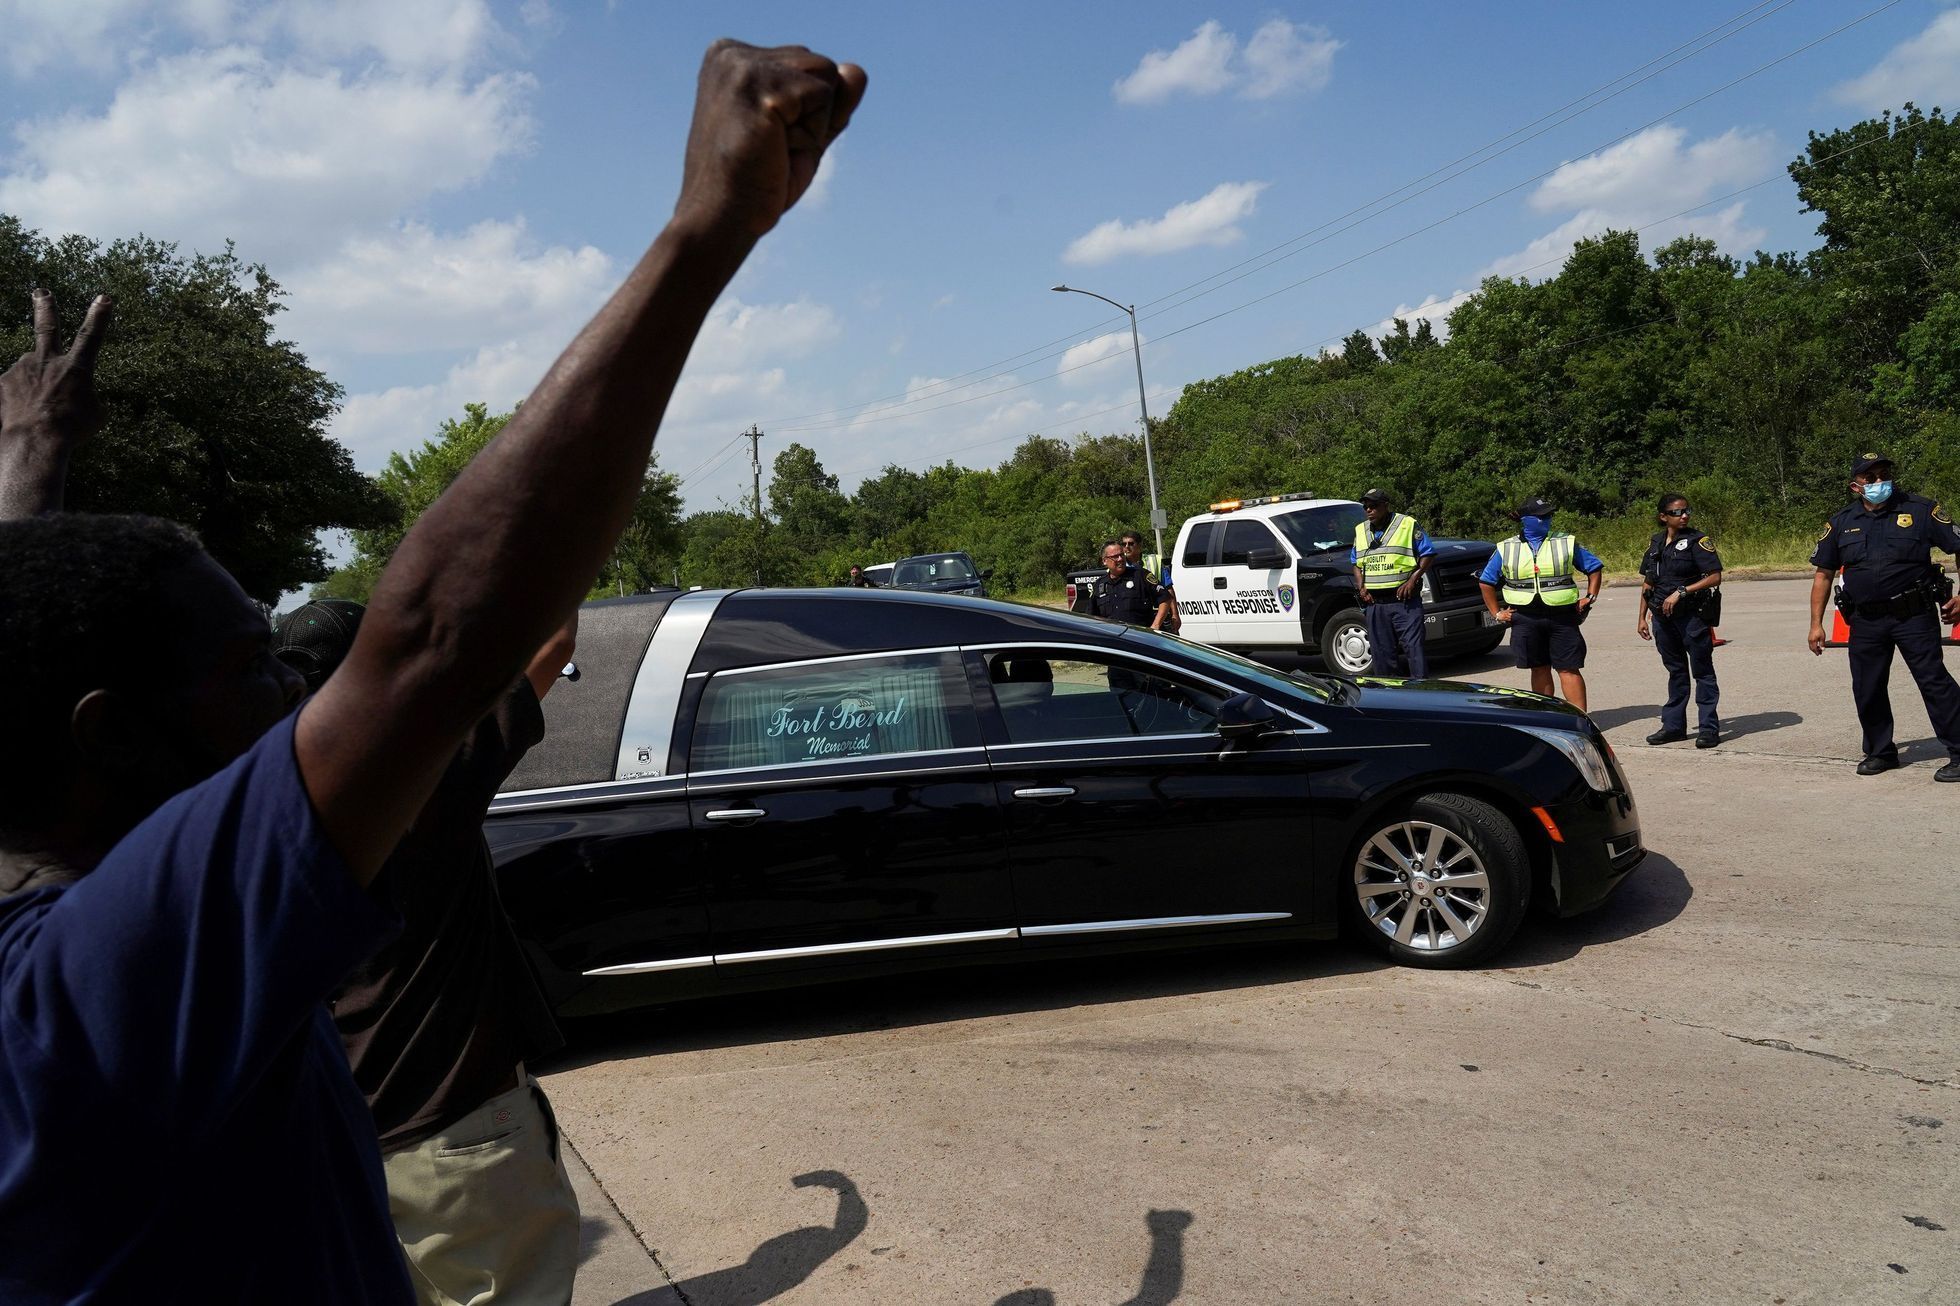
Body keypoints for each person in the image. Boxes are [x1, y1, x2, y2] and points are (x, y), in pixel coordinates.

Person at [0, 39, 866, 1302]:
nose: (292, 708)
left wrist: (29, 479)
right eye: (250, 668)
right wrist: (707, 227)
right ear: (115, 738)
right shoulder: (87, 1001)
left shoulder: (54, 877)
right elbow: (435, 640)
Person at [275, 601, 582, 1306]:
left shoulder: (256, 820)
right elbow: (552, 634)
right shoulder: (422, 781)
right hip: (459, 1129)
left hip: (341, 1142)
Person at [1807, 452, 1960, 780]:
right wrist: (1816, 624)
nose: (1880, 482)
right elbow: (1823, 574)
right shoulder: (1841, 522)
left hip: (1914, 615)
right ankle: (1880, 752)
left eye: (1884, 475)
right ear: (1855, 486)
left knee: (1934, 681)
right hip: (1865, 621)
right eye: (1871, 477)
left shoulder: (1920, 510)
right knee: (1867, 686)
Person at [1478, 495, 1605, 712]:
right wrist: (1497, 613)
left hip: (1562, 617)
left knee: (1569, 669)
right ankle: (1546, 718)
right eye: (1541, 517)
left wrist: (1590, 597)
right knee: (1539, 668)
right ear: (1525, 520)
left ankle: (1581, 720)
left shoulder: (1565, 542)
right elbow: (1486, 582)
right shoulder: (1506, 548)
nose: (1546, 520)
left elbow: (1594, 568)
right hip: (1525, 618)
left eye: (1549, 516)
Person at [1636, 493, 1723, 747]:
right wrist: (1641, 617)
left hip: (1692, 617)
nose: (1683, 515)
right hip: (1663, 619)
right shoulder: (1655, 543)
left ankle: (1708, 728)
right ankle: (1673, 726)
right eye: (1676, 512)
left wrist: (1683, 591)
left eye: (1686, 511)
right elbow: (1648, 582)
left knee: (1703, 673)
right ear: (1663, 517)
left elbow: (1715, 576)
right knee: (1676, 672)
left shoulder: (1698, 541)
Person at [1349, 487, 1436, 678]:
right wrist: (1361, 585)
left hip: (1404, 603)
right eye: (1366, 507)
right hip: (1375, 605)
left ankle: (1422, 695)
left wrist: (1414, 578)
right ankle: (1391, 698)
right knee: (1382, 656)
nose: (1368, 510)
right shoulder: (1360, 530)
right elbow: (1355, 563)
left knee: (1414, 651)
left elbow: (1428, 553)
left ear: (1385, 505)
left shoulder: (1407, 524)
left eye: (1373, 506)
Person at [1088, 538, 1172, 630]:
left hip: (1140, 637)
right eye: (1115, 557)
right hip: (1113, 639)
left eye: (1121, 555)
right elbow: (1091, 616)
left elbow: (1165, 598)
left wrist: (1155, 625)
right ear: (1104, 561)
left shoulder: (1141, 575)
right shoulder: (1099, 585)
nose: (1120, 559)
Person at [1119, 530, 1178, 633]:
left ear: (1140, 545)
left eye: (1131, 543)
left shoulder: (1154, 561)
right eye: (1124, 544)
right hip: (1134, 618)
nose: (1127, 547)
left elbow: (1168, 588)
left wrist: (1175, 614)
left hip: (1159, 615)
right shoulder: (1118, 566)